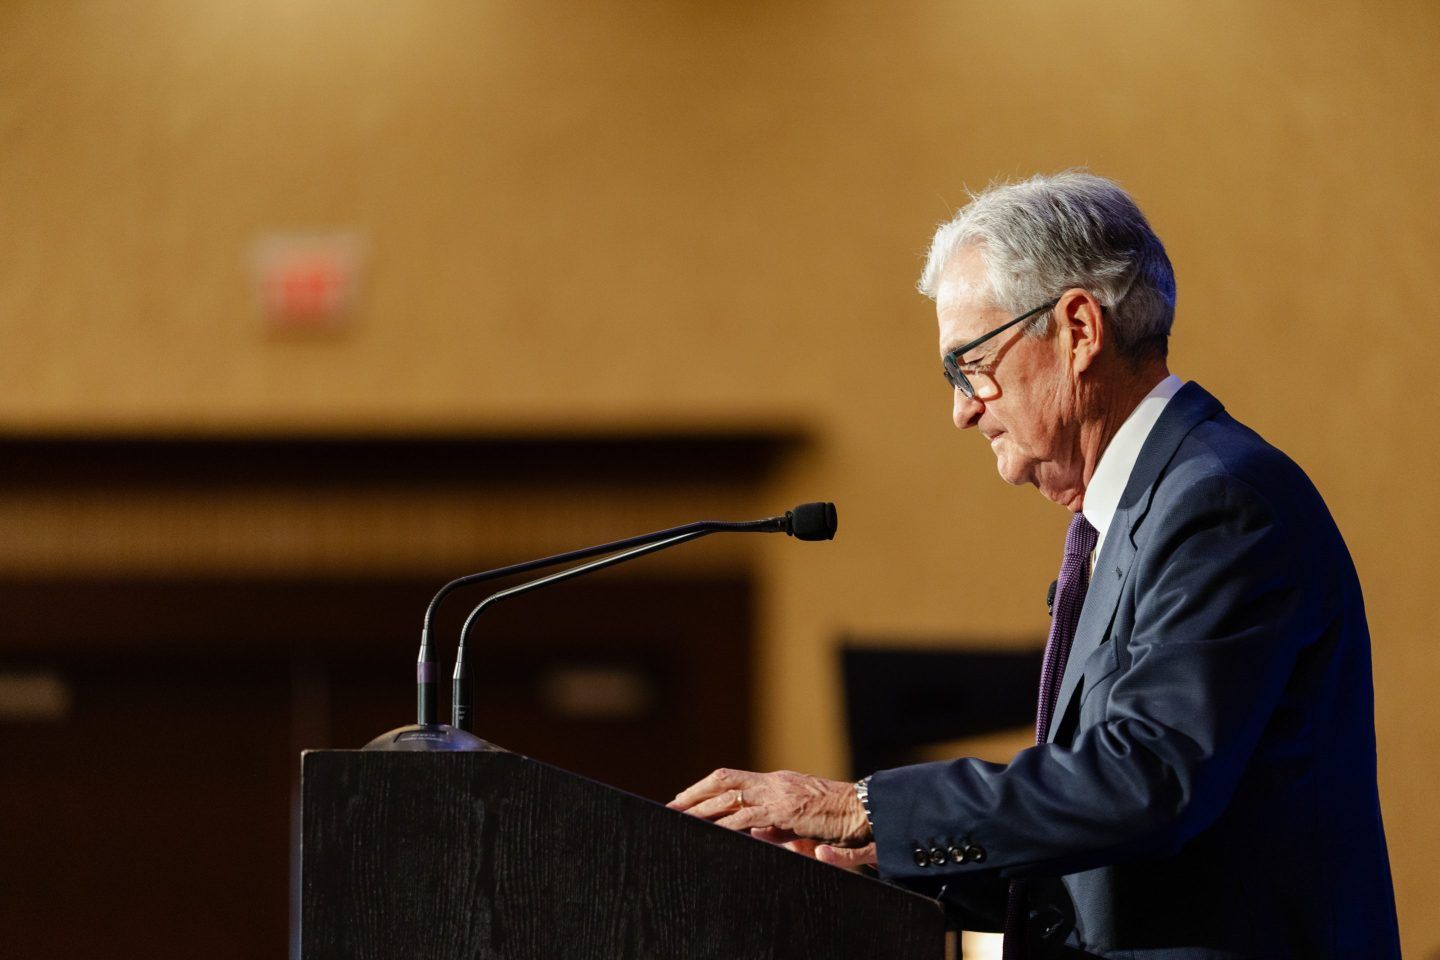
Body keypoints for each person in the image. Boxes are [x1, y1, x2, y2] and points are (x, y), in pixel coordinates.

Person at [670, 171, 1401, 959]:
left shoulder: (1220, 502)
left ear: (1079, 328)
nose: (961, 407)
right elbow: (1098, 846)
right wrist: (873, 861)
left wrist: (866, 808)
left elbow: (1147, 784)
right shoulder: (1138, 513)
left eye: (969, 364)